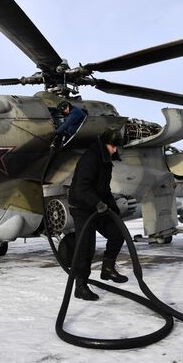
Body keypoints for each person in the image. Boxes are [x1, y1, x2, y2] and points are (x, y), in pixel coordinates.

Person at [67, 129, 128, 301]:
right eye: (113, 146)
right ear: (105, 143)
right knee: (86, 246)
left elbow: (104, 188)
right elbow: (82, 187)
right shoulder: (90, 159)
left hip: (97, 206)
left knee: (118, 233)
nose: (115, 150)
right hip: (81, 207)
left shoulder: (106, 160)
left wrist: (112, 207)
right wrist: (97, 203)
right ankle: (81, 286)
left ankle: (107, 269)